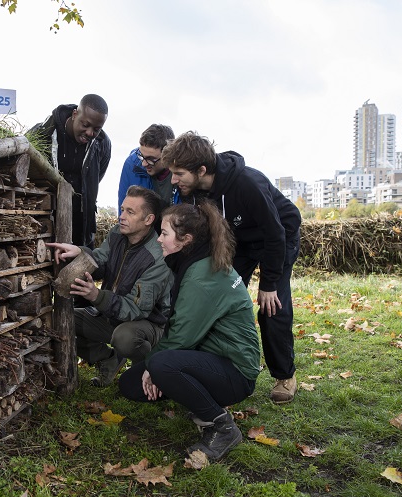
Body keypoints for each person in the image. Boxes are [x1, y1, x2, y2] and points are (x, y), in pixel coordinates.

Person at [162, 131, 302, 404]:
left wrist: (269, 283)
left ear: (201, 170)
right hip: (239, 242)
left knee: (272, 307)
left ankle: (285, 375)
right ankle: (212, 364)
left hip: (279, 237)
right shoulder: (192, 192)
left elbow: (275, 233)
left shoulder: (248, 183)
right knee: (215, 297)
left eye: (179, 173)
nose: (173, 180)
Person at [118, 202, 260, 460]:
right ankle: (197, 397)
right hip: (213, 356)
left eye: (164, 233)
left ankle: (221, 426)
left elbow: (182, 335)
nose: (158, 239)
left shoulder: (200, 275)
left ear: (186, 240)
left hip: (236, 371)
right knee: (131, 384)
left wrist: (154, 367)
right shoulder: (195, 262)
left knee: (161, 364)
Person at [46, 186, 171, 387]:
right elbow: (100, 262)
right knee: (59, 320)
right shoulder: (117, 234)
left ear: (148, 220)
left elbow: (136, 309)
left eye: (130, 212)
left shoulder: (157, 258)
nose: (121, 216)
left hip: (147, 324)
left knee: (125, 338)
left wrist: (97, 296)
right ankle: (107, 359)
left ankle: (149, 369)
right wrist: (79, 252)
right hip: (111, 314)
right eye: (122, 209)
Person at [28, 94, 111, 248]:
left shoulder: (102, 144)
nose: (90, 133)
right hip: (45, 219)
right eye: (85, 125)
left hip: (82, 226)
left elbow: (96, 178)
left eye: (97, 129)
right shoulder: (43, 133)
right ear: (75, 114)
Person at [117, 124, 178, 216]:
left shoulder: (181, 170)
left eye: (151, 159)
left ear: (168, 155)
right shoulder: (131, 164)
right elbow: (123, 211)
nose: (143, 164)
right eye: (141, 156)